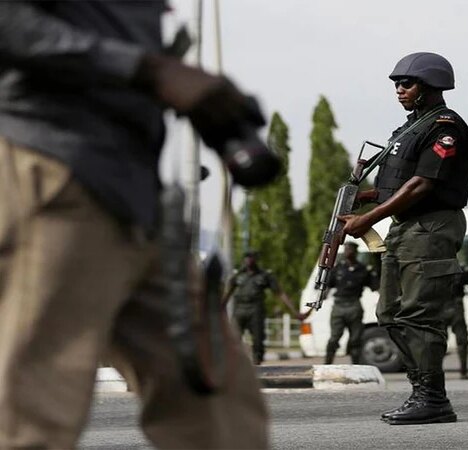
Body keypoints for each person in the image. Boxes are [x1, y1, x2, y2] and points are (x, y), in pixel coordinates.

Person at [0, 3, 269, 448]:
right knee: (32, 417)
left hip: (134, 194)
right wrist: (150, 70)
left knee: (215, 399)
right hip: (52, 172)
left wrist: (200, 102)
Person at [340, 52, 468, 425]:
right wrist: (366, 198)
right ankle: (422, 390)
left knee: (420, 315)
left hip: (431, 227)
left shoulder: (444, 127)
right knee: (389, 313)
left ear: (430, 87)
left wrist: (369, 217)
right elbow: (398, 185)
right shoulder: (408, 129)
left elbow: (422, 184)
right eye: (397, 83)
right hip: (404, 227)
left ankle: (432, 397)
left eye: (407, 83)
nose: (399, 89)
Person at [223, 250, 298, 365]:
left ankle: (257, 366)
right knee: (233, 339)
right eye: (246, 257)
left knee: (258, 341)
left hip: (256, 310)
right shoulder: (237, 276)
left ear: (255, 259)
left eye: (251, 257)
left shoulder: (264, 275)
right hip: (240, 310)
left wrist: (295, 312)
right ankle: (232, 367)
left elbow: (280, 293)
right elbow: (226, 294)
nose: (248, 260)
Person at [323, 242, 377, 365]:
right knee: (334, 338)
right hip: (339, 305)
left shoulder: (363, 269)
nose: (348, 252)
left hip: (354, 305)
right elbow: (328, 286)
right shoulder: (338, 268)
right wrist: (322, 295)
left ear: (355, 252)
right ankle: (327, 364)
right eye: (346, 249)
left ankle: (356, 366)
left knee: (355, 340)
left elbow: (375, 286)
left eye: (350, 249)